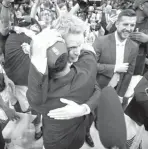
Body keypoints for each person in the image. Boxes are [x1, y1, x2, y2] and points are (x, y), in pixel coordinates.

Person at [27, 15, 100, 149]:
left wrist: (84, 109)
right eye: (72, 47)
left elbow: (96, 88)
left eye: (80, 45)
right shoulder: (45, 88)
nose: (78, 53)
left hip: (78, 136)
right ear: (58, 47)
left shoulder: (85, 62)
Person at [93, 9, 139, 101]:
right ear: (117, 24)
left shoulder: (134, 46)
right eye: (125, 24)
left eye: (132, 25)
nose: (129, 29)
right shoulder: (101, 41)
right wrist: (114, 68)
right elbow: (91, 66)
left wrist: (121, 95)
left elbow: (129, 73)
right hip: (96, 89)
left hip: (116, 91)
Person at [130, 0, 148, 75]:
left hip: (139, 69)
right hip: (121, 66)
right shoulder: (125, 18)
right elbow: (111, 37)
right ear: (141, 6)